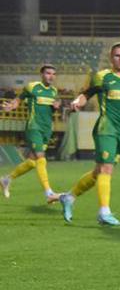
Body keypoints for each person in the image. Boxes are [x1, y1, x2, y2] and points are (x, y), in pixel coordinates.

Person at [62, 43, 120, 226]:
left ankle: (69, 197)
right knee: (106, 169)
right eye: (117, 56)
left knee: (99, 171)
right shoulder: (103, 77)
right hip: (105, 128)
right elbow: (86, 94)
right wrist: (78, 101)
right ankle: (104, 213)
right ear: (111, 58)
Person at [0, 64, 64, 205]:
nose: (51, 76)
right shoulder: (32, 87)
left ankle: (6, 179)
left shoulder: (54, 91)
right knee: (41, 158)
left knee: (32, 162)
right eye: (48, 73)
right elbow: (19, 99)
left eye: (53, 74)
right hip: (34, 127)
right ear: (42, 74)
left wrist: (57, 106)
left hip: (47, 130)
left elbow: (55, 106)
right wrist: (11, 106)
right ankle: (49, 193)